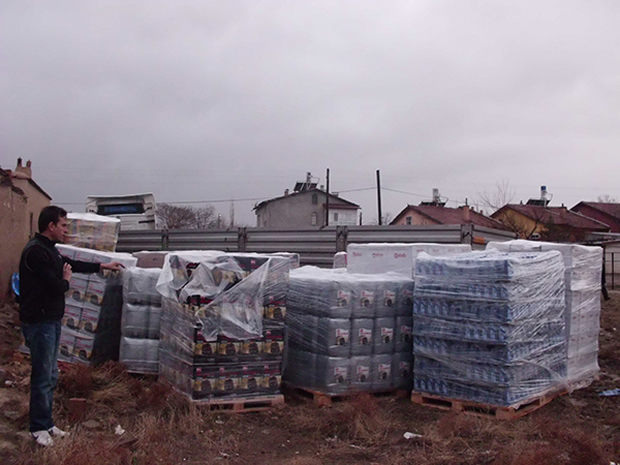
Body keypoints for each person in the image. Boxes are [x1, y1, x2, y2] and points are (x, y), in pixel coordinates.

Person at [19, 206, 125, 447]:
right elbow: (56, 286)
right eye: (64, 225)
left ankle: (47, 422)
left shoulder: (50, 251)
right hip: (39, 322)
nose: (67, 230)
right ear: (51, 226)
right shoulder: (35, 253)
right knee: (42, 375)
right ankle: (37, 428)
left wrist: (101, 266)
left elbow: (71, 263)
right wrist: (66, 281)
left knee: (51, 374)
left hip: (51, 321)